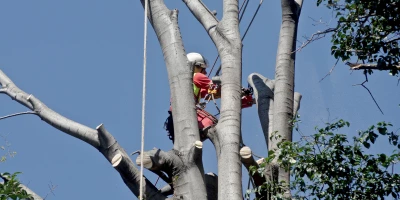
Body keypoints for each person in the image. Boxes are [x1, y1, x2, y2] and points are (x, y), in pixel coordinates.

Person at [165, 52, 220, 143]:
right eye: (203, 69)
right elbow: (214, 88)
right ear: (195, 67)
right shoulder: (197, 76)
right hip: (186, 114)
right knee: (211, 121)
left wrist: (212, 93)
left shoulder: (184, 81)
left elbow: (207, 92)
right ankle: (201, 133)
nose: (205, 72)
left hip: (174, 120)